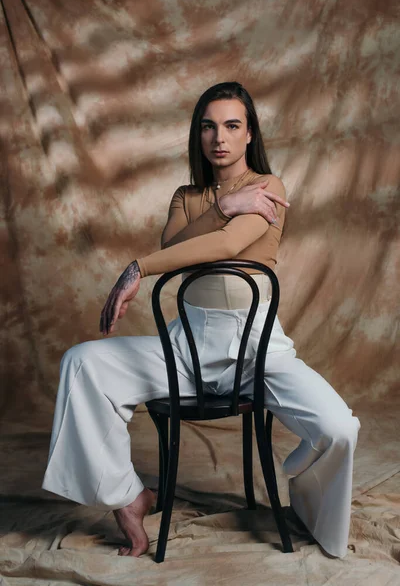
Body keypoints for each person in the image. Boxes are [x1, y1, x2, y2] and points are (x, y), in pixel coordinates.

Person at [42, 82, 360, 559]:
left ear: (249, 133)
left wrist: (138, 266)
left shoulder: (268, 188)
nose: (220, 138)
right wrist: (220, 208)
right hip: (184, 350)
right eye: (209, 126)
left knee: (339, 429)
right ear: (199, 133)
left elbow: (226, 246)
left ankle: (306, 499)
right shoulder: (185, 197)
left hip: (255, 353)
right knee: (82, 363)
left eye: (233, 125)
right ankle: (127, 497)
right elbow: (174, 252)